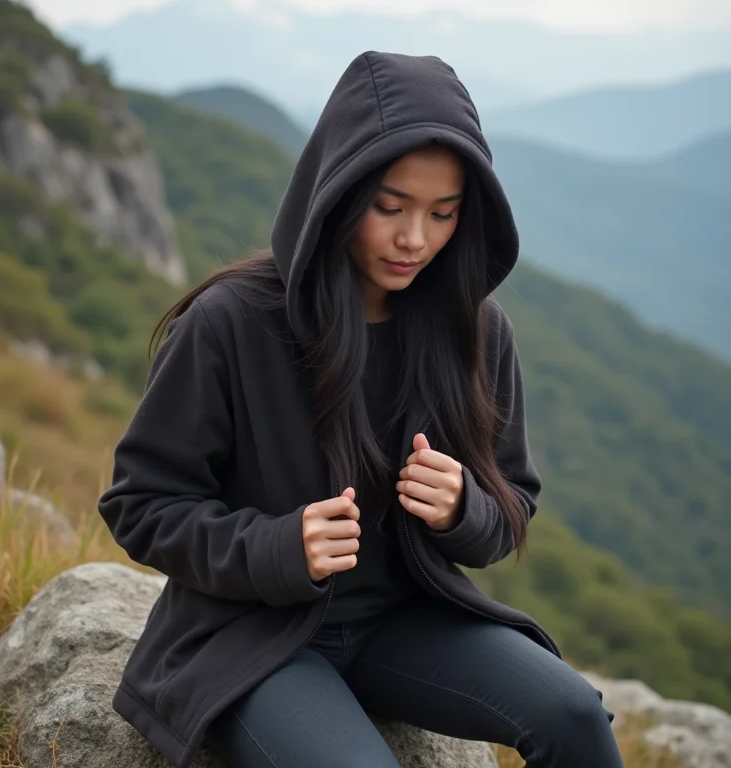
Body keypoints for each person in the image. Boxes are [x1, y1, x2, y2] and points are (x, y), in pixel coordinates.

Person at [98, 51, 624, 768]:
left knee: (574, 716)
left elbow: (512, 506)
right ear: (339, 191)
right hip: (251, 636)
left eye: (443, 213)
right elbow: (141, 505)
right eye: (390, 207)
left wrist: (462, 508)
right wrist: (278, 547)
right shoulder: (230, 323)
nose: (415, 239)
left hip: (405, 623)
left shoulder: (474, 329)